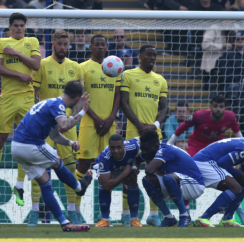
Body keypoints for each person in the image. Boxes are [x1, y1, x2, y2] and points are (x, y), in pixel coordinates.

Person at [11, 79, 93, 232]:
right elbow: (65, 125)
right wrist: (83, 111)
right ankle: (78, 187)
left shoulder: (50, 102)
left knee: (45, 182)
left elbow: (55, 135)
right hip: (30, 144)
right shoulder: (58, 105)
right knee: (57, 161)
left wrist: (70, 143)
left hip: (17, 147)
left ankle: (64, 223)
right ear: (76, 99)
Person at [0, 13, 41, 211]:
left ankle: (19, 186)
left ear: (25, 26)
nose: (18, 28)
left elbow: (36, 65)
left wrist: (16, 54)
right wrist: (18, 74)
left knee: (25, 142)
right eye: (15, 25)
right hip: (7, 97)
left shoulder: (32, 40)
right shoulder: (1, 42)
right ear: (10, 26)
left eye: (21, 25)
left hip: (26, 98)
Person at [31, 30, 83, 225]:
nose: (63, 47)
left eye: (65, 44)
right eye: (59, 44)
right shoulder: (42, 65)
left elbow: (78, 99)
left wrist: (69, 119)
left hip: (67, 124)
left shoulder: (75, 67)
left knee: (70, 166)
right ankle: (34, 212)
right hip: (44, 124)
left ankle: (73, 211)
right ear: (53, 44)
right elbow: (35, 94)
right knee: (39, 167)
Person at [120, 44, 168, 227]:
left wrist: (154, 125)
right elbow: (124, 103)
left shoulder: (160, 80)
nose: (152, 58)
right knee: (129, 173)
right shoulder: (128, 75)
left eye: (154, 55)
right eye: (148, 55)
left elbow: (164, 107)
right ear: (139, 57)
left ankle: (153, 215)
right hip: (133, 132)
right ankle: (126, 214)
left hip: (154, 136)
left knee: (155, 174)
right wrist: (139, 125)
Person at [76, 34, 121, 225]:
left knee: (110, 167)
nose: (100, 47)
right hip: (89, 121)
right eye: (97, 44)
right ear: (91, 47)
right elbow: (80, 96)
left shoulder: (116, 66)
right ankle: (74, 208)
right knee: (83, 163)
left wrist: (111, 118)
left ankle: (106, 216)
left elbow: (118, 95)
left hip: (110, 123)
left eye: (103, 44)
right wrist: (95, 118)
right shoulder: (83, 68)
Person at [192, 131, 244, 227]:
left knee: (242, 184)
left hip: (209, 162)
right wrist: (238, 173)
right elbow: (222, 163)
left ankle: (227, 219)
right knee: (236, 188)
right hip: (205, 162)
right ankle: (204, 218)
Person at [139, 130, 205, 227]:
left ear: (156, 145)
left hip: (195, 185)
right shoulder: (150, 150)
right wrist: (134, 168)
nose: (144, 152)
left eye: (146, 149)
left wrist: (152, 166)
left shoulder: (165, 150)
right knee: (147, 180)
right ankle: (169, 217)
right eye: (142, 149)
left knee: (168, 178)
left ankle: (184, 215)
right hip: (178, 182)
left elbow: (149, 170)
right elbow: (137, 158)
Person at [168, 95, 242, 156]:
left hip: (215, 147)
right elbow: (183, 126)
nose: (218, 109)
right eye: (215, 106)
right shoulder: (199, 115)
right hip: (196, 147)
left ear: (225, 108)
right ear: (211, 107)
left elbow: (237, 133)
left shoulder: (230, 117)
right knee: (192, 167)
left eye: (221, 107)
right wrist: (170, 143)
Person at [95, 135, 142, 227]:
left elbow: (142, 138)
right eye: (112, 148)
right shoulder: (104, 157)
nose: (116, 151)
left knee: (132, 178)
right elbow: (107, 185)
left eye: (119, 147)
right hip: (112, 171)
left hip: (125, 167)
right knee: (103, 183)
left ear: (124, 146)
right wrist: (125, 172)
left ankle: (134, 220)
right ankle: (105, 220)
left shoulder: (133, 146)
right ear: (109, 147)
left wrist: (136, 165)